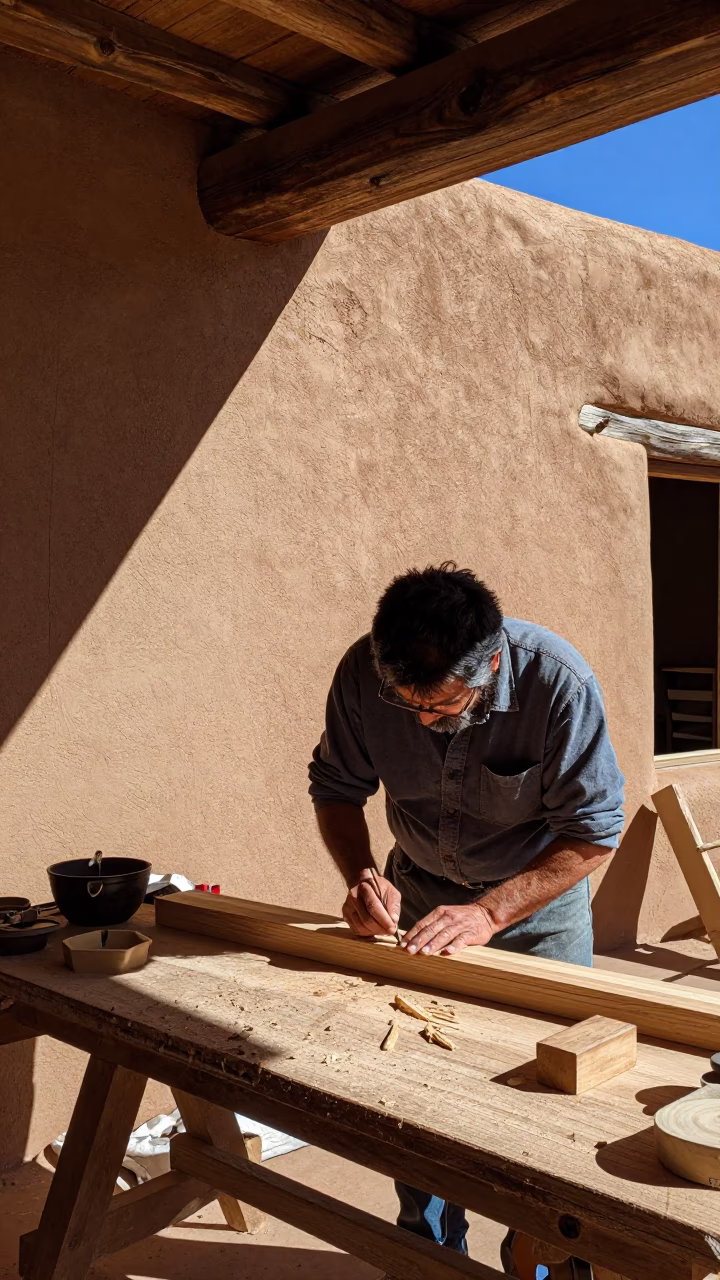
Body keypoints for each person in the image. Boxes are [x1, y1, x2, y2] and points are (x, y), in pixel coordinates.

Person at [308, 563, 625, 1276]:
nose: (423, 720)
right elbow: (335, 786)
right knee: (414, 1089)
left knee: (549, 1104)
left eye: (446, 707)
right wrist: (361, 876)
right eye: (408, 703)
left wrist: (490, 911)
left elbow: (595, 831)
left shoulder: (558, 682)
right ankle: (427, 1251)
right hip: (415, 894)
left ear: (492, 662)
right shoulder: (364, 673)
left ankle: (543, 1253)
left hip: (537, 911)